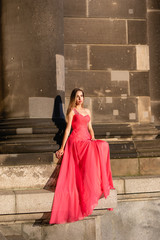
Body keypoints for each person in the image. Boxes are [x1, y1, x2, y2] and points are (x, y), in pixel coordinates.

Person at [49, 88, 114, 224]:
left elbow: (90, 128)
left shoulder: (87, 111)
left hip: (86, 139)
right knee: (93, 150)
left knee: (103, 145)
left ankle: (100, 181)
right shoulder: (72, 111)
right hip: (76, 141)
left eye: (82, 96)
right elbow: (67, 129)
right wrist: (62, 147)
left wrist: (93, 138)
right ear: (74, 98)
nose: (80, 99)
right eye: (77, 96)